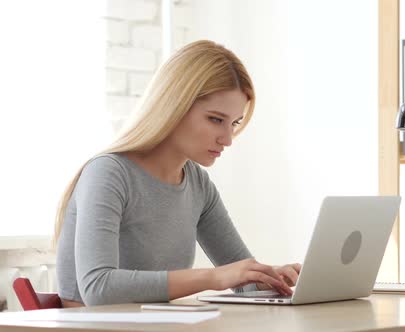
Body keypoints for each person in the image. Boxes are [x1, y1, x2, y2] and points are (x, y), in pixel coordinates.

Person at [54, 40, 300, 307]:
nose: (227, 139)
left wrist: (270, 278)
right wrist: (211, 278)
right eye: (216, 120)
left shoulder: (197, 183)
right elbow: (98, 288)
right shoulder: (108, 173)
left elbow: (239, 280)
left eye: (234, 123)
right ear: (174, 106)